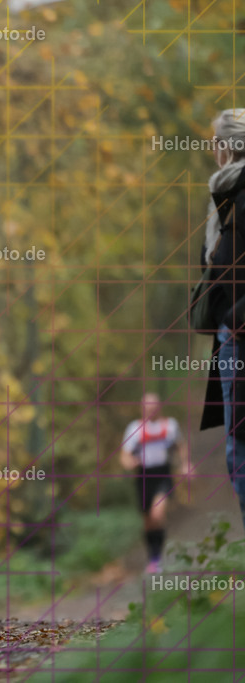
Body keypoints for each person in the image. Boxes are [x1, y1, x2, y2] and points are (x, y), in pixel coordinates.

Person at [198, 108, 245, 533]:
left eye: (215, 141)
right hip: (232, 336)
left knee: (241, 454)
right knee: (237, 452)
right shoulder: (229, 194)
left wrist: (235, 317)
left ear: (227, 147)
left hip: (240, 335)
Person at [119, 393, 190, 574]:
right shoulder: (134, 428)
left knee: (157, 513)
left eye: (153, 407)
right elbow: (125, 455)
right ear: (142, 408)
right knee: (148, 520)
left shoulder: (170, 426)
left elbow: (181, 445)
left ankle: (157, 558)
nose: (151, 410)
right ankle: (152, 556)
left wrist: (185, 464)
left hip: (163, 474)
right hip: (143, 476)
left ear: (159, 407)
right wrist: (129, 462)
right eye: (147, 407)